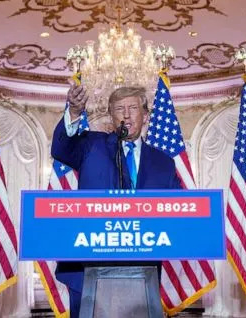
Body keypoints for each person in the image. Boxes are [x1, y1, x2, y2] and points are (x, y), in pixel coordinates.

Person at [51, 82, 181, 317]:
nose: (127, 114)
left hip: (142, 269)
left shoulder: (163, 162)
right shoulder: (92, 145)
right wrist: (73, 111)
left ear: (145, 115)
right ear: (111, 116)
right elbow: (62, 148)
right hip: (88, 267)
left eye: (133, 108)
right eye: (120, 109)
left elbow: (179, 210)